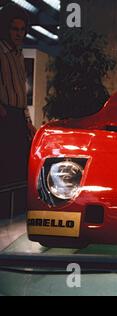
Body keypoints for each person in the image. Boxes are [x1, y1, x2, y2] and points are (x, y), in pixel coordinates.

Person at [0, 4, 36, 186]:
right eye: (15, 29)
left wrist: (28, 121)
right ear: (6, 28)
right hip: (4, 116)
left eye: (22, 30)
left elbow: (21, 92)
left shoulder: (18, 55)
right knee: (5, 169)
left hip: (18, 116)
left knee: (20, 166)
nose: (19, 33)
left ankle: (14, 212)